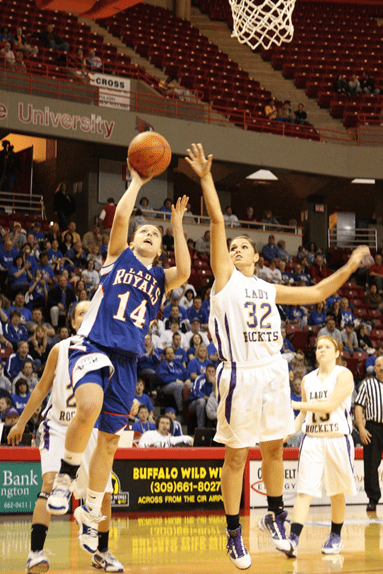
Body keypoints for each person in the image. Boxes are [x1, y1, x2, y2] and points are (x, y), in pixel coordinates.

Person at [185, 142, 370, 570]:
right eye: (232, 246)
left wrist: (350, 266)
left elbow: (318, 292)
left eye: (244, 246)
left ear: (257, 256)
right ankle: (233, 531)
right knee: (235, 455)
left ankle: (275, 514)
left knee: (272, 450)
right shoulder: (223, 283)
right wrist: (207, 178)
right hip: (238, 374)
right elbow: (215, 219)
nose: (236, 248)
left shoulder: (269, 287)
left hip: (272, 371)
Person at [46, 159, 190, 557]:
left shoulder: (161, 279)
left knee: (110, 441)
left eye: (152, 234)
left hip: (127, 360)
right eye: (142, 232)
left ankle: (91, 506)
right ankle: (65, 477)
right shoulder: (118, 257)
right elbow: (123, 216)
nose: (145, 234)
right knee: (88, 406)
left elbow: (188, 270)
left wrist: (175, 225)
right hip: (93, 344)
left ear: (160, 249)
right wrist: (137, 181)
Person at [7, 301, 124, 573]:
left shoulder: (106, 351)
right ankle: (35, 553)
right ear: (72, 323)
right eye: (81, 313)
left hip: (90, 431)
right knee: (49, 484)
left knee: (103, 492)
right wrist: (21, 423)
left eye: (89, 312)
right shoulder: (60, 350)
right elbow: (40, 389)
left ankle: (102, 553)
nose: (86, 316)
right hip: (57, 427)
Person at [282, 336, 356, 557]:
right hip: (312, 440)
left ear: (336, 353)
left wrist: (295, 403)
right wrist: (285, 435)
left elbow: (330, 404)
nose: (322, 350)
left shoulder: (344, 375)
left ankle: (335, 537)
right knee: (304, 491)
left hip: (337, 439)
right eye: (318, 347)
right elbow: (303, 415)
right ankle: (293, 539)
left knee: (336, 492)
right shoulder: (307, 379)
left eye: (327, 347)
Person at [354, 355, 383, 512]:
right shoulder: (367, 384)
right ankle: (373, 499)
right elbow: (359, 407)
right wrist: (361, 428)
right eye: (378, 365)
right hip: (373, 427)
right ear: (375, 368)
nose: (381, 367)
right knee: (371, 464)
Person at [156, 346, 192, 412]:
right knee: (177, 386)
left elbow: (186, 373)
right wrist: (175, 379)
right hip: (166, 386)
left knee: (192, 385)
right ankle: (181, 410)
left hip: (181, 383)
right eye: (168, 353)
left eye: (172, 353)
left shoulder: (178, 364)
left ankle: (189, 408)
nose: (170, 355)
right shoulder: (162, 365)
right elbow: (163, 379)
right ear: (165, 355)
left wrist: (188, 379)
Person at [188, 363, 216, 428]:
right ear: (205, 372)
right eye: (209, 371)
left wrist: (214, 384)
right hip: (194, 403)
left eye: (213, 372)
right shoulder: (200, 379)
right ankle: (201, 428)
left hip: (210, 402)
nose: (211, 373)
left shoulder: (217, 380)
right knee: (202, 401)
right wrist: (208, 398)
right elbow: (195, 392)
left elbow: (219, 394)